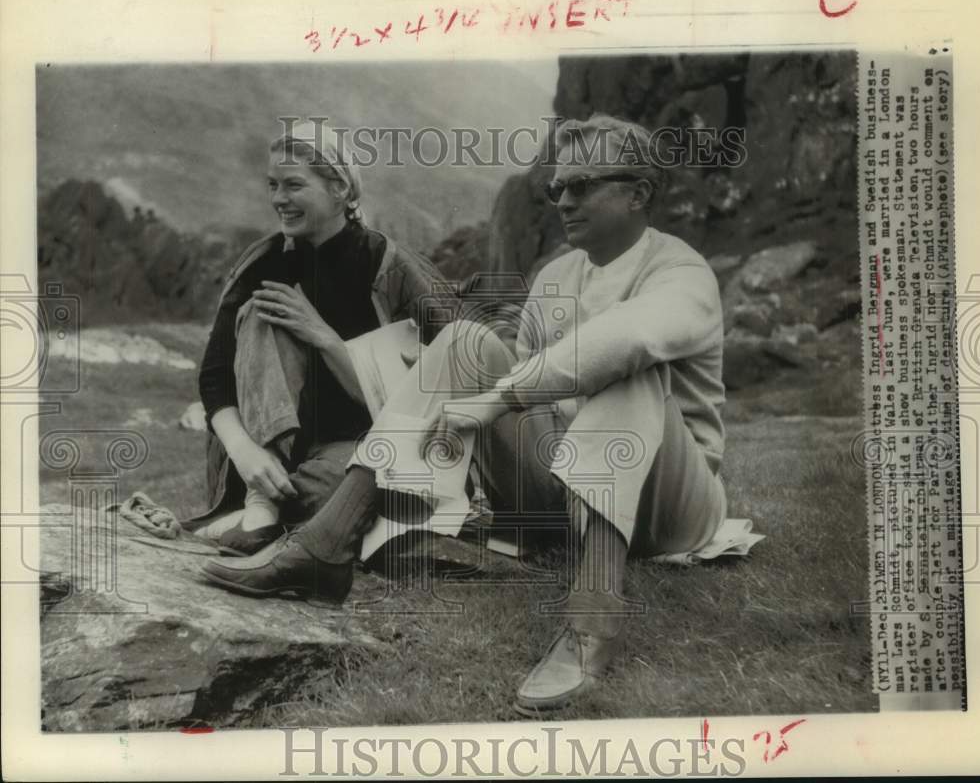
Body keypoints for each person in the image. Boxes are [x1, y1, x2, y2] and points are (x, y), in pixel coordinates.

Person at [201, 114, 728, 714]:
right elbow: (537, 390)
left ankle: (593, 618)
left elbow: (626, 338)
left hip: (672, 510)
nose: (563, 200)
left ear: (639, 194)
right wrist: (481, 424)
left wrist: (497, 401)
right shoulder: (557, 273)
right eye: (555, 188)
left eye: (582, 185)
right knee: (463, 342)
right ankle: (327, 542)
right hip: (567, 497)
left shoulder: (681, 272)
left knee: (630, 368)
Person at [182, 119, 453, 561]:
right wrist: (244, 451)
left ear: (340, 189)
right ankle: (259, 505)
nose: (278, 200)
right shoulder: (263, 263)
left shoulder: (389, 265)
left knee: (342, 495)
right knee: (262, 313)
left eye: (293, 185)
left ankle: (256, 519)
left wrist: (326, 340)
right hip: (266, 455)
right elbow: (214, 377)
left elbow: (444, 378)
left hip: (363, 446)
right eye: (272, 185)